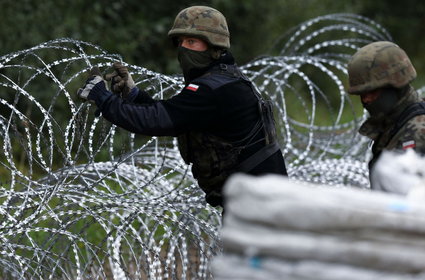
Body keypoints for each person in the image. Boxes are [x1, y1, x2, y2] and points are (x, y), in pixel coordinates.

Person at [77, 6, 287, 208]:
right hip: (260, 200)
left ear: (214, 45)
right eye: (181, 42)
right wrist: (133, 94)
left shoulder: (213, 89)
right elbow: (175, 114)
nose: (184, 48)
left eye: (192, 41)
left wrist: (102, 96)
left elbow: (156, 121)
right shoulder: (225, 79)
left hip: (259, 207)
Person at [347, 41, 425, 187]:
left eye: (372, 91)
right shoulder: (394, 123)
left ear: (396, 84)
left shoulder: (416, 132)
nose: (366, 99)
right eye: (361, 94)